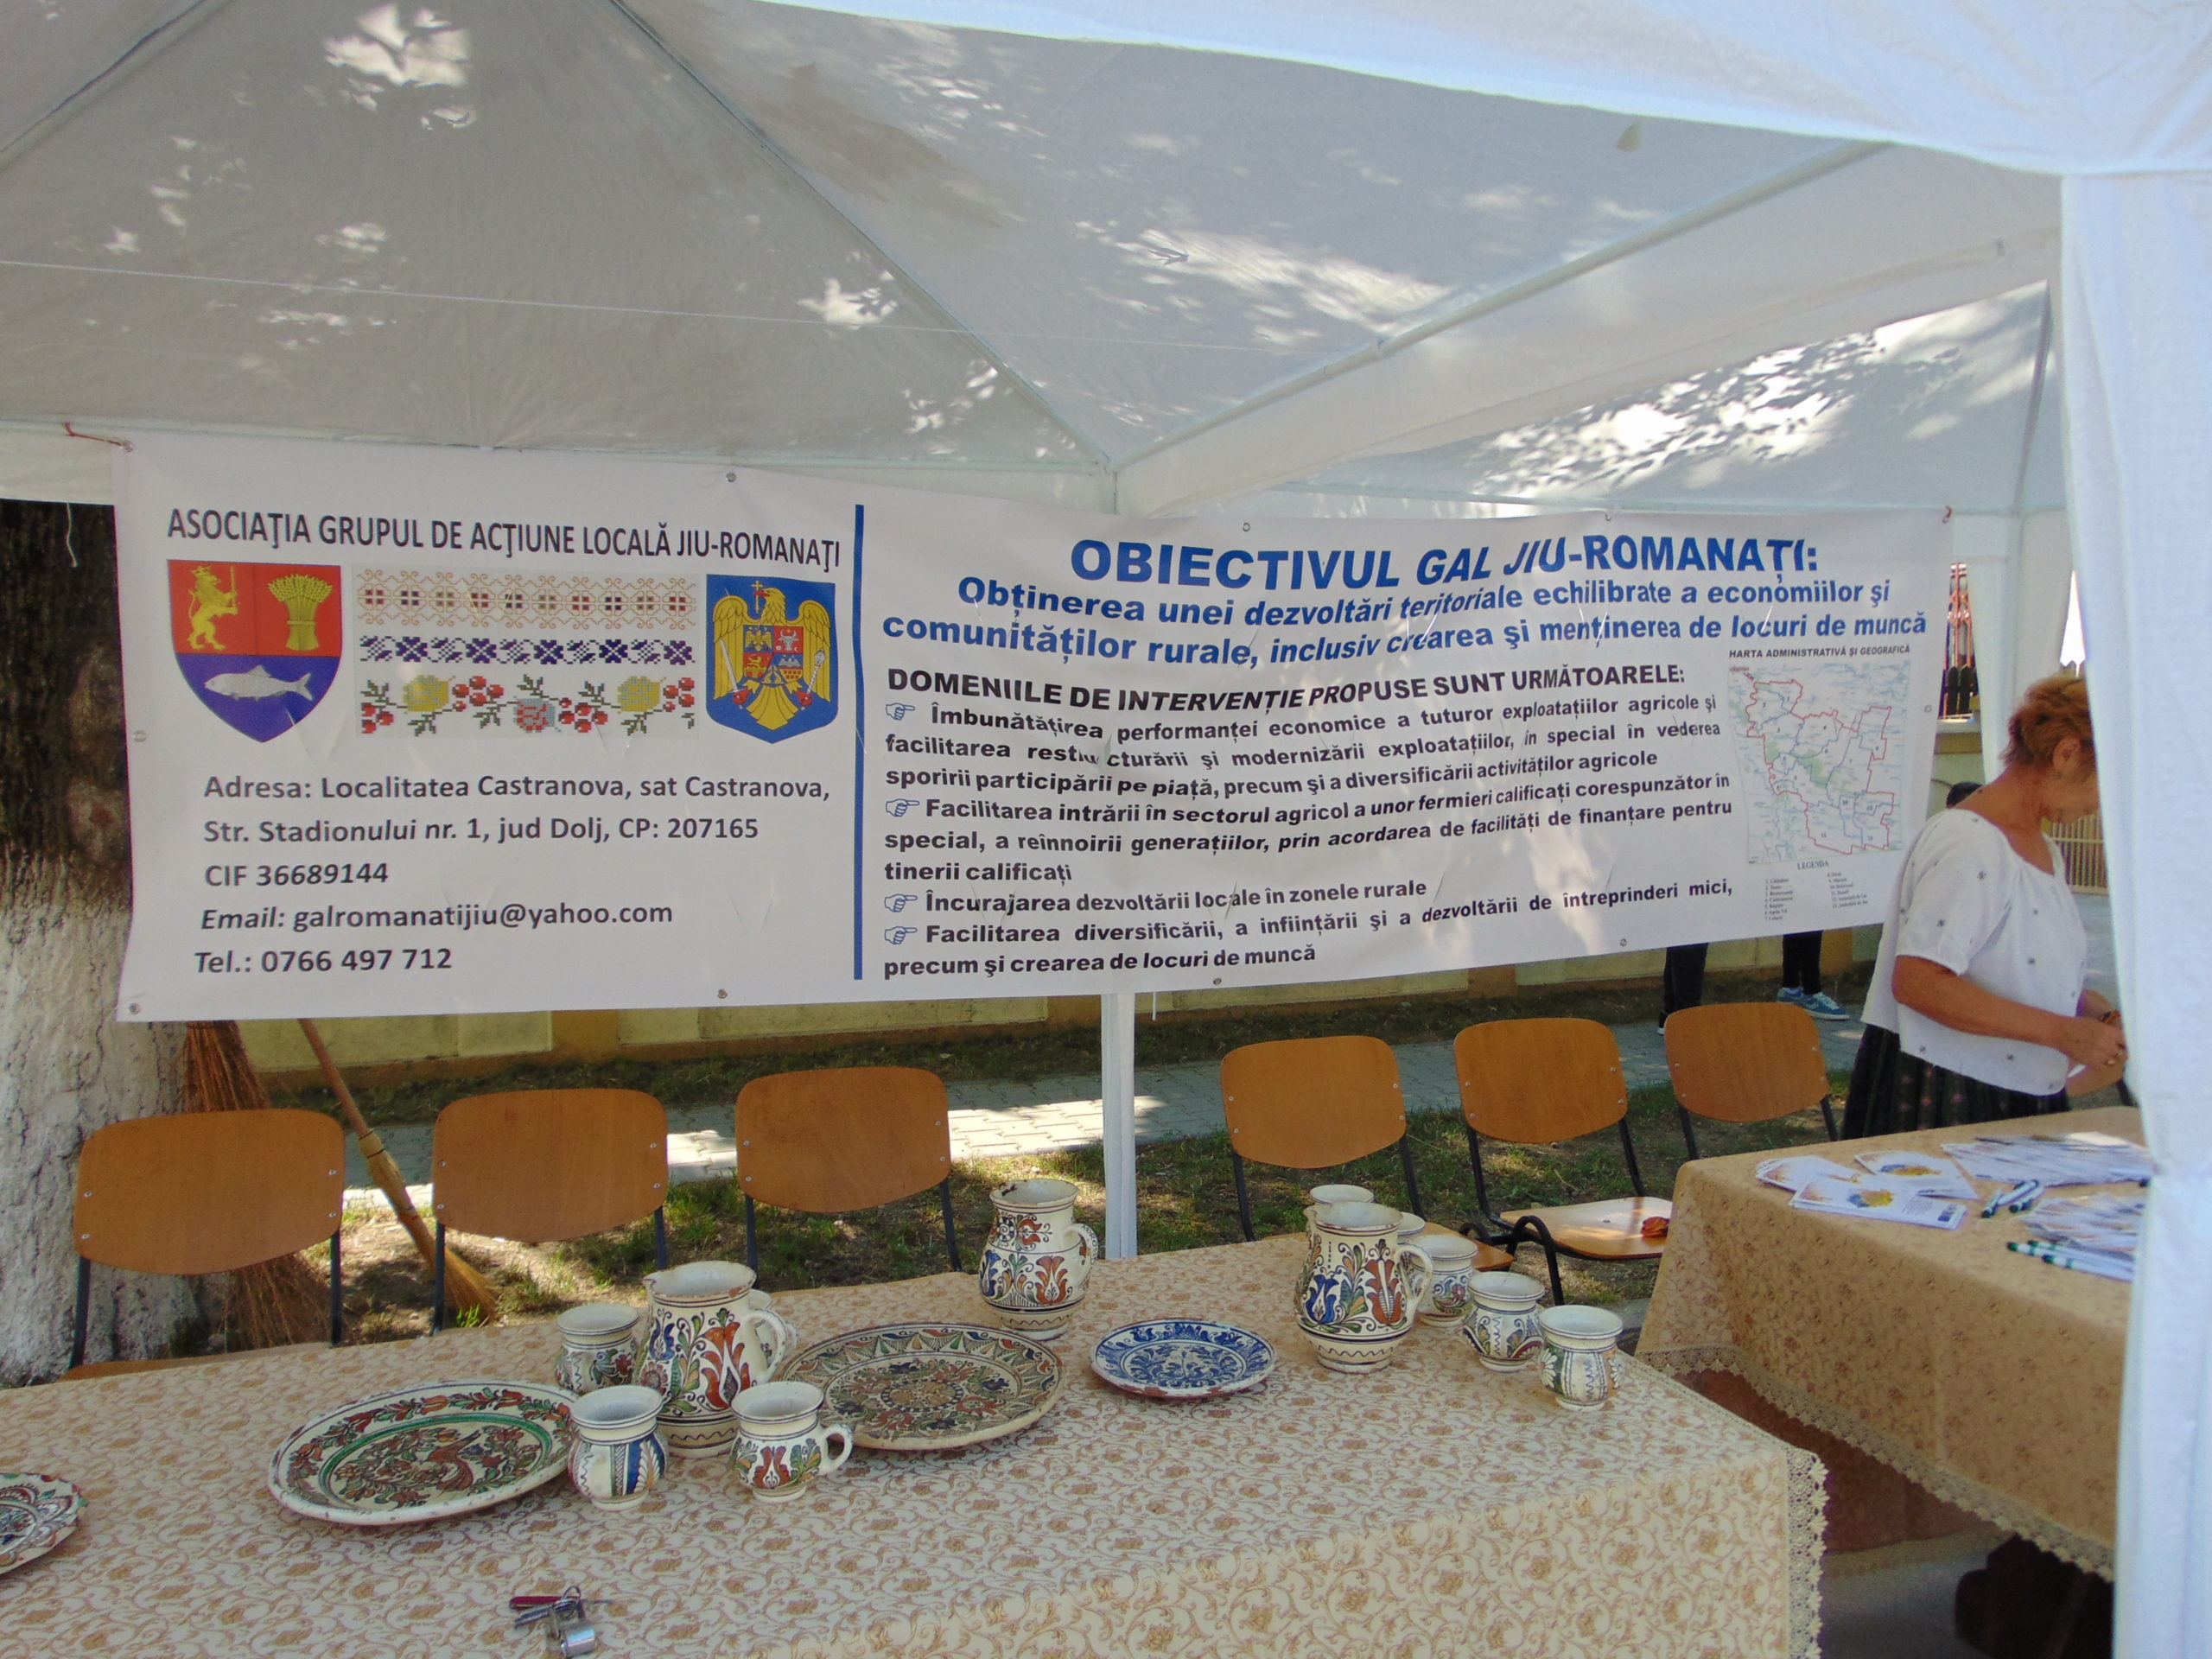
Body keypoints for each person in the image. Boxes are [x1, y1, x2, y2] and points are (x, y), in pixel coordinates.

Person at [1842, 672, 2123, 1137]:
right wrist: (2059, 1032)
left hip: (2008, 1084)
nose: (2105, 802)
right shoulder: (1969, 842)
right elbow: (1918, 982)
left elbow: (2010, 968)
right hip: (1947, 1091)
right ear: (2067, 753)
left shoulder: (2043, 849)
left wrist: (2089, 1012)